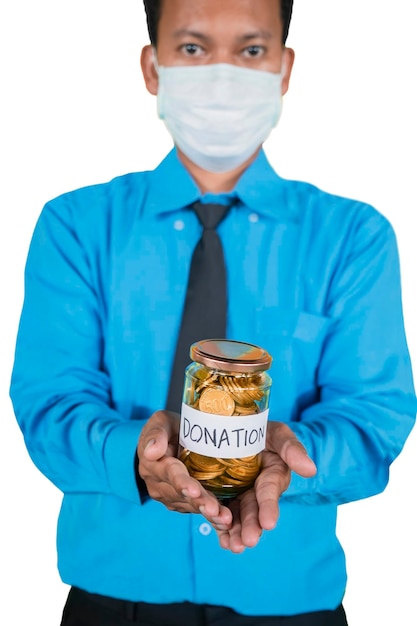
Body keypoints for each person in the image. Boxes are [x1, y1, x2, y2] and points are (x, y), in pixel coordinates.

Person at [9, 0, 416, 624]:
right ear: (153, 67)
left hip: (289, 602)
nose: (223, 75)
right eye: (194, 49)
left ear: (283, 68)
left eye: (250, 51)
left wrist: (297, 459)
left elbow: (374, 411)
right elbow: (51, 399)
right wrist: (135, 461)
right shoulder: (77, 227)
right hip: (114, 600)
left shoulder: (353, 237)